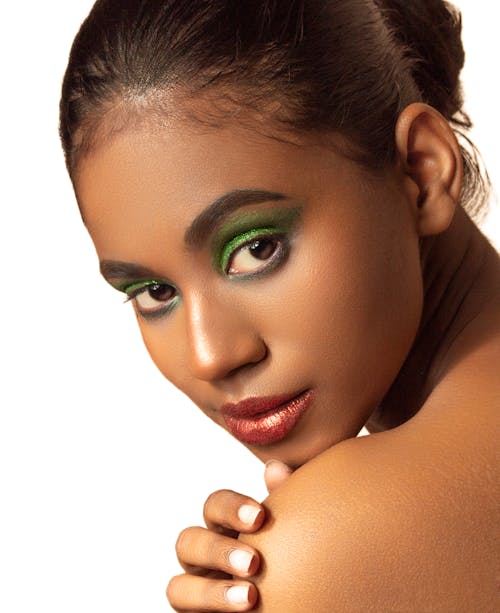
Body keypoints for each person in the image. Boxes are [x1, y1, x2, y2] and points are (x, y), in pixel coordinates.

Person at [59, 0, 499, 610]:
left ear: (422, 171)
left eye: (256, 248)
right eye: (154, 292)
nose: (210, 356)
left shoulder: (327, 550)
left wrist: (306, 558)